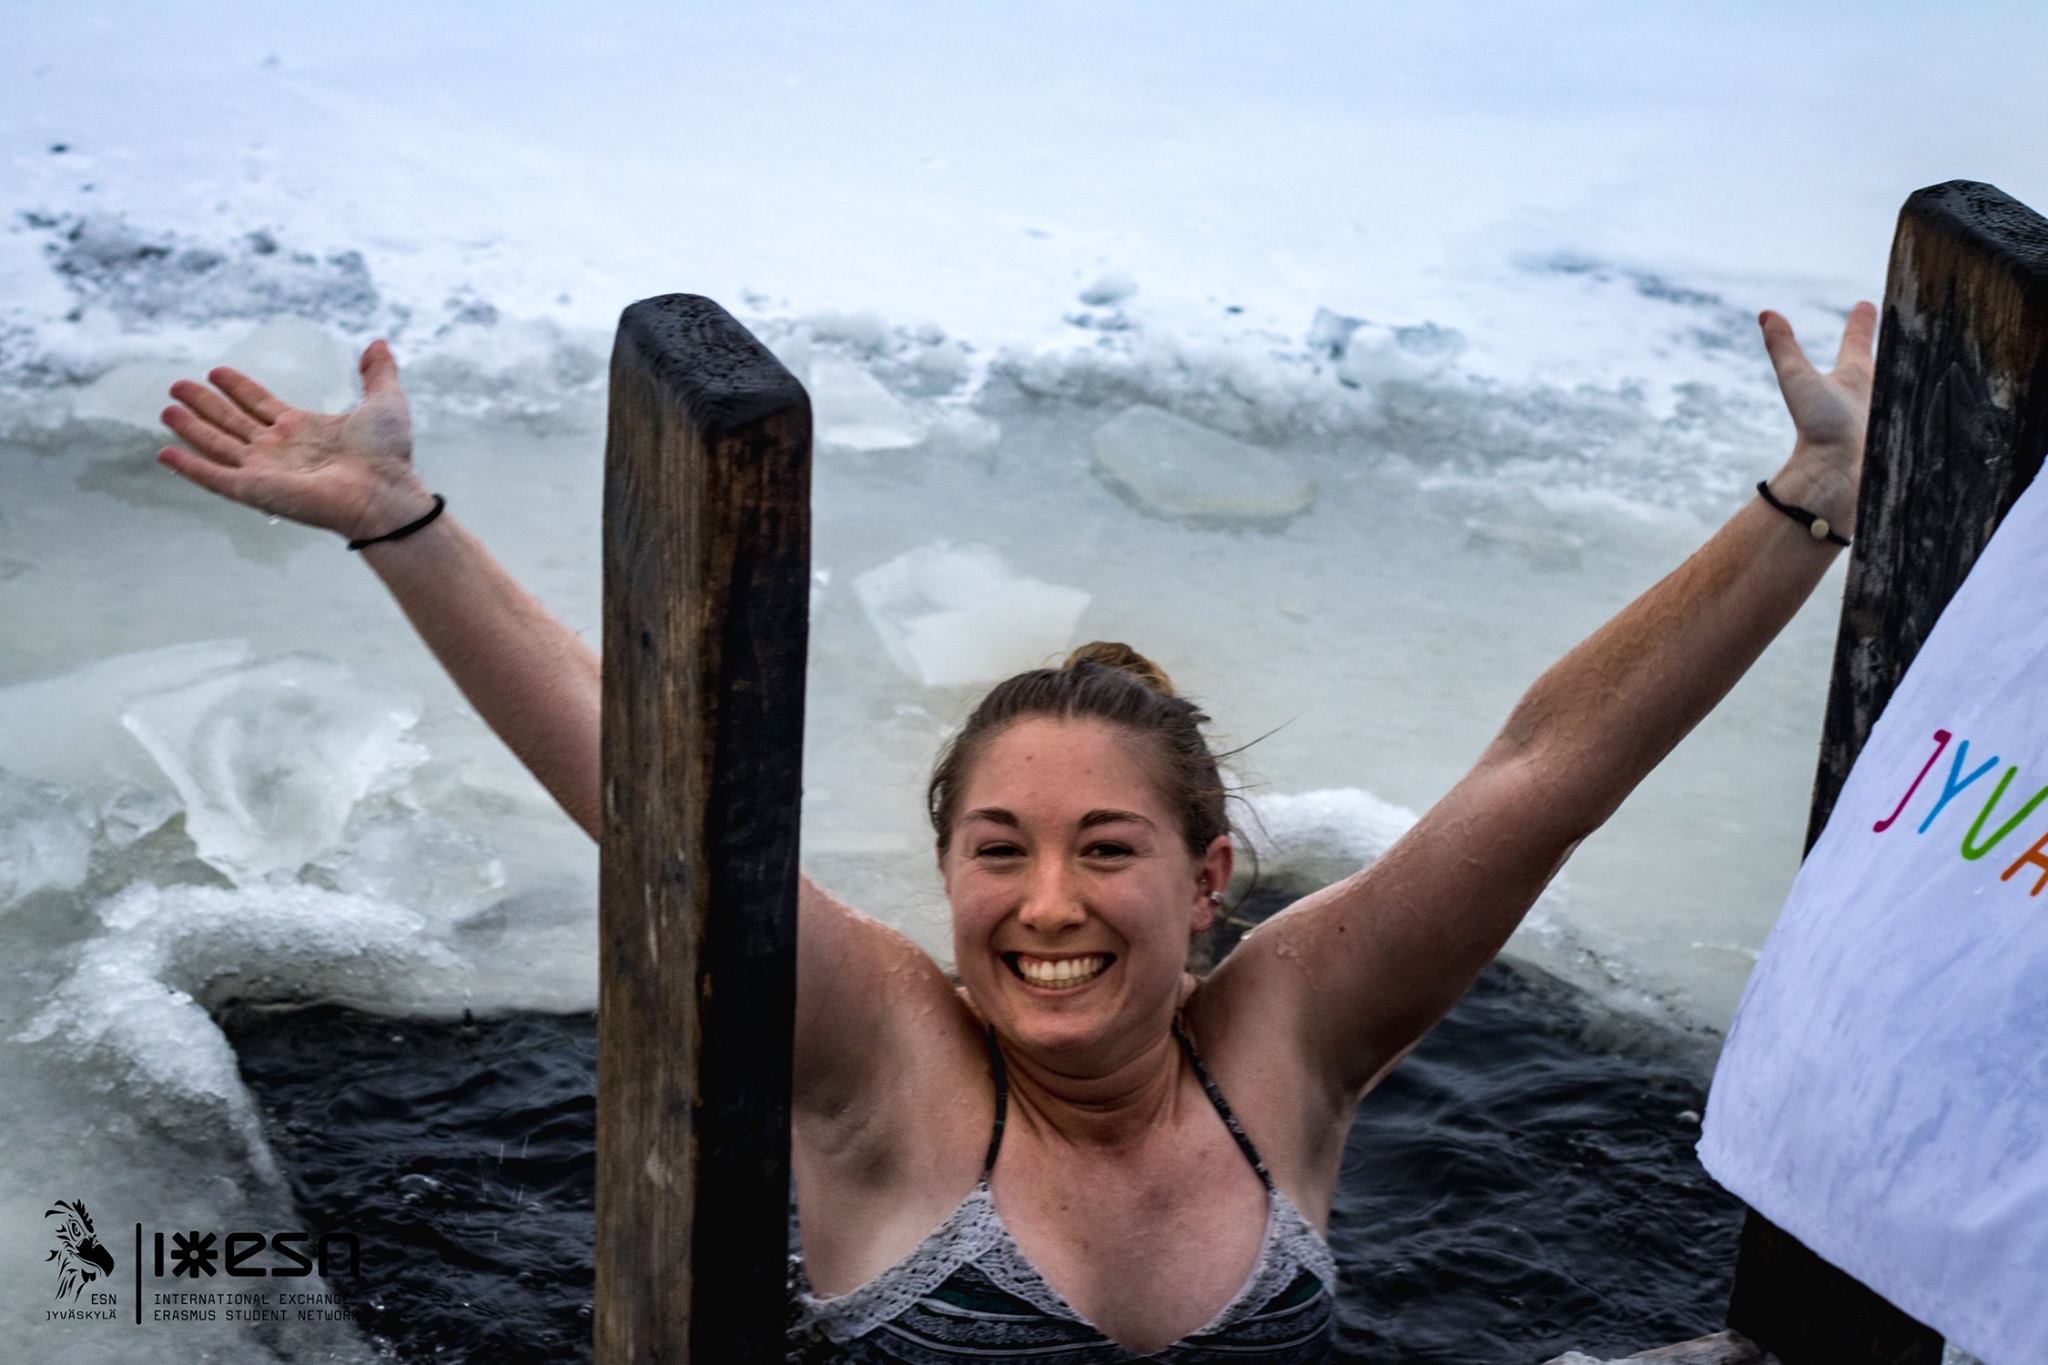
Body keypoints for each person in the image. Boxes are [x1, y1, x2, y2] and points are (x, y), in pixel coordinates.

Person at [157, 300, 1876, 1361]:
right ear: (949, 876)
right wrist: (407, 524)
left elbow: (1541, 773)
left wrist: (1806, 510)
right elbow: (651, 806)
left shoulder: (1286, 1041)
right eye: (1000, 847)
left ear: (1209, 880)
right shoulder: (894, 1062)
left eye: (1106, 847)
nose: (1047, 902)